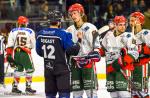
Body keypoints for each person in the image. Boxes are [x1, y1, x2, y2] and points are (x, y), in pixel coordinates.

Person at [36, 10, 81, 98]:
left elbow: (39, 52)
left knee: (50, 95)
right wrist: (79, 40)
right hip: (62, 70)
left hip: (48, 70)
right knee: (64, 95)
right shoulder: (63, 34)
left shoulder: (40, 34)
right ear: (59, 22)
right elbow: (73, 50)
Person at [96, 16, 139, 98]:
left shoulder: (129, 36)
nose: (123, 27)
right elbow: (103, 50)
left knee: (123, 93)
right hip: (109, 68)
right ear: (115, 25)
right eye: (120, 25)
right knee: (113, 94)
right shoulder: (108, 35)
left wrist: (122, 61)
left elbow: (135, 52)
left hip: (123, 68)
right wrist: (96, 53)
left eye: (124, 24)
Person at [66, 3, 99, 98]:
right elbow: (68, 49)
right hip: (75, 64)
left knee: (91, 92)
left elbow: (97, 46)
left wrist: (96, 52)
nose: (73, 16)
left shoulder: (91, 27)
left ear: (81, 13)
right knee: (76, 93)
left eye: (75, 13)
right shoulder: (69, 29)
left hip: (87, 62)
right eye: (71, 14)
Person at [6, 16, 36, 94]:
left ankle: (14, 87)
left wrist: (8, 54)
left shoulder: (13, 31)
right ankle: (28, 87)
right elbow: (33, 45)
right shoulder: (30, 31)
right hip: (25, 52)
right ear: (25, 23)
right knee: (30, 70)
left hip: (16, 53)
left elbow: (10, 44)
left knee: (18, 70)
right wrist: (29, 47)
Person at [129, 11, 150, 98]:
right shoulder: (129, 36)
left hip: (143, 65)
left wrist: (142, 49)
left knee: (142, 91)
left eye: (133, 20)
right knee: (134, 92)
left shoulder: (147, 33)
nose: (131, 22)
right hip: (132, 66)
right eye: (131, 20)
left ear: (139, 21)